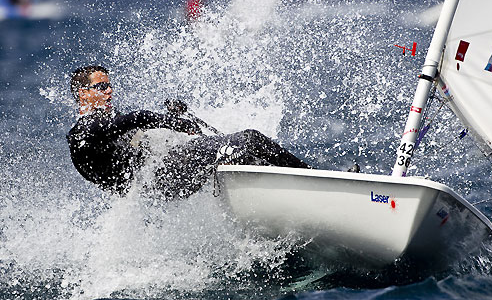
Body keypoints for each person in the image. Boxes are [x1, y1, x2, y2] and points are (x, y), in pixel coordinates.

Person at [67, 65, 310, 199]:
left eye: (109, 85)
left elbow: (134, 131)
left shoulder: (108, 121)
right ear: (83, 93)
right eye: (101, 86)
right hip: (161, 177)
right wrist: (170, 122)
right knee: (249, 139)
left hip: (163, 176)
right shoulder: (84, 131)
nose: (109, 91)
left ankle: (282, 199)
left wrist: (177, 117)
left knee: (240, 157)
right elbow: (138, 118)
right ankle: (311, 178)